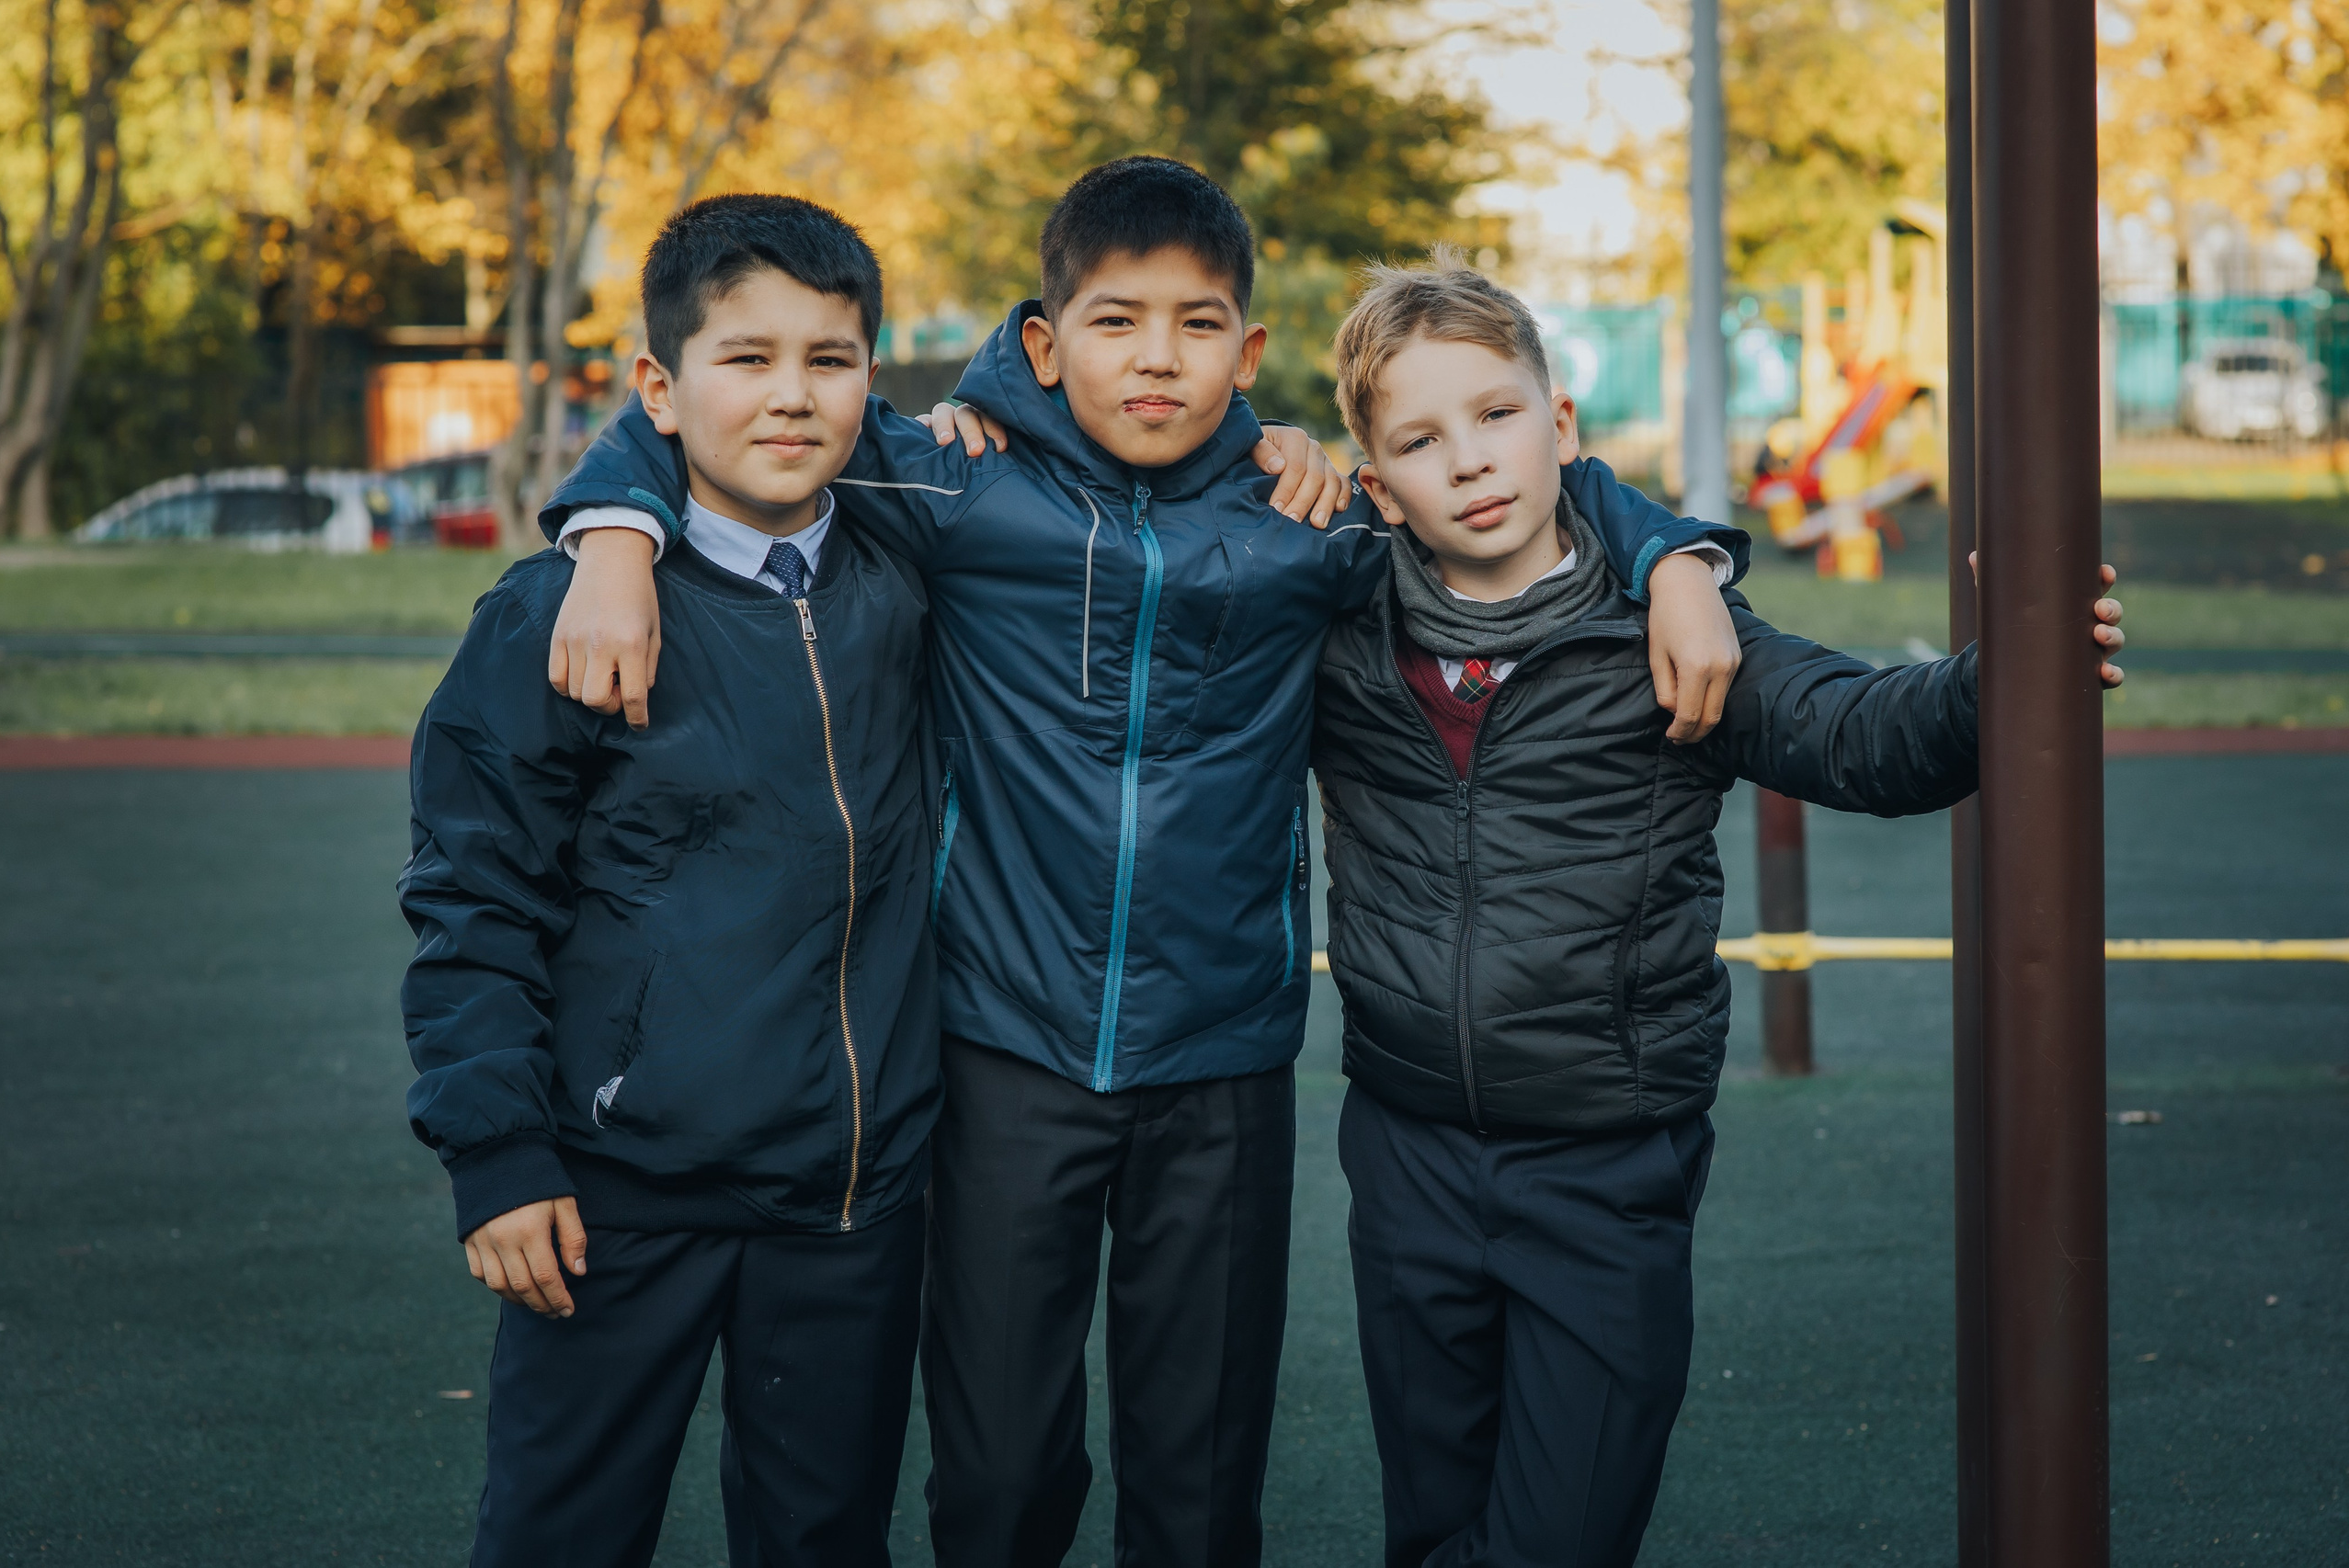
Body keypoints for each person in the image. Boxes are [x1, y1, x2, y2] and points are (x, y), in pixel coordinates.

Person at [538, 157, 1751, 1568]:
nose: (1157, 359)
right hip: (1003, 1049)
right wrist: (611, 533)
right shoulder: (952, 483)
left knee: (1197, 1477)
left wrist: (1680, 560)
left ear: (1245, 352)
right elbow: (729, 424)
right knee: (998, 1474)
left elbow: (1523, 476)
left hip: (1220, 1058)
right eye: (1116, 323)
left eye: (1197, 326)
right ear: (1046, 344)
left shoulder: (1314, 519)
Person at [1309, 253, 2127, 1568]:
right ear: (1379, 482)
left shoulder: (1672, 627)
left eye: (1497, 413)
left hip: (1603, 1160)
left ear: (1561, 428)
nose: (1468, 457)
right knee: (1435, 1525)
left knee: (1556, 1539)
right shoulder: (1339, 628)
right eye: (1420, 438)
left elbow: (1857, 732)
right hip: (1405, 1154)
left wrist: (2003, 674)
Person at [398, 194, 942, 1568]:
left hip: (846, 1197)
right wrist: (501, 1153)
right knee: (560, 1537)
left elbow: (1078, 405)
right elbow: (475, 898)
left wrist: (1279, 440)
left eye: (830, 358)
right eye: (744, 357)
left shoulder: (909, 577)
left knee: (824, 1537)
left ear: (873, 379)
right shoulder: (558, 613)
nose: (791, 395)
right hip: (613, 1191)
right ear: (659, 384)